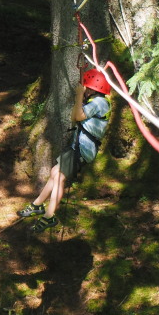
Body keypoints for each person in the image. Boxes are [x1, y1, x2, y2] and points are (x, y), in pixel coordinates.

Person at [18, 68, 111, 232]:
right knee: (55, 172)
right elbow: (74, 117)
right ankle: (37, 205)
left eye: (86, 87)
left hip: (82, 149)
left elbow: (78, 117)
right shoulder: (93, 101)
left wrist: (79, 96)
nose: (84, 89)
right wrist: (80, 98)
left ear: (92, 89)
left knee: (59, 178)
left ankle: (49, 216)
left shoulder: (99, 103)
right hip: (77, 146)